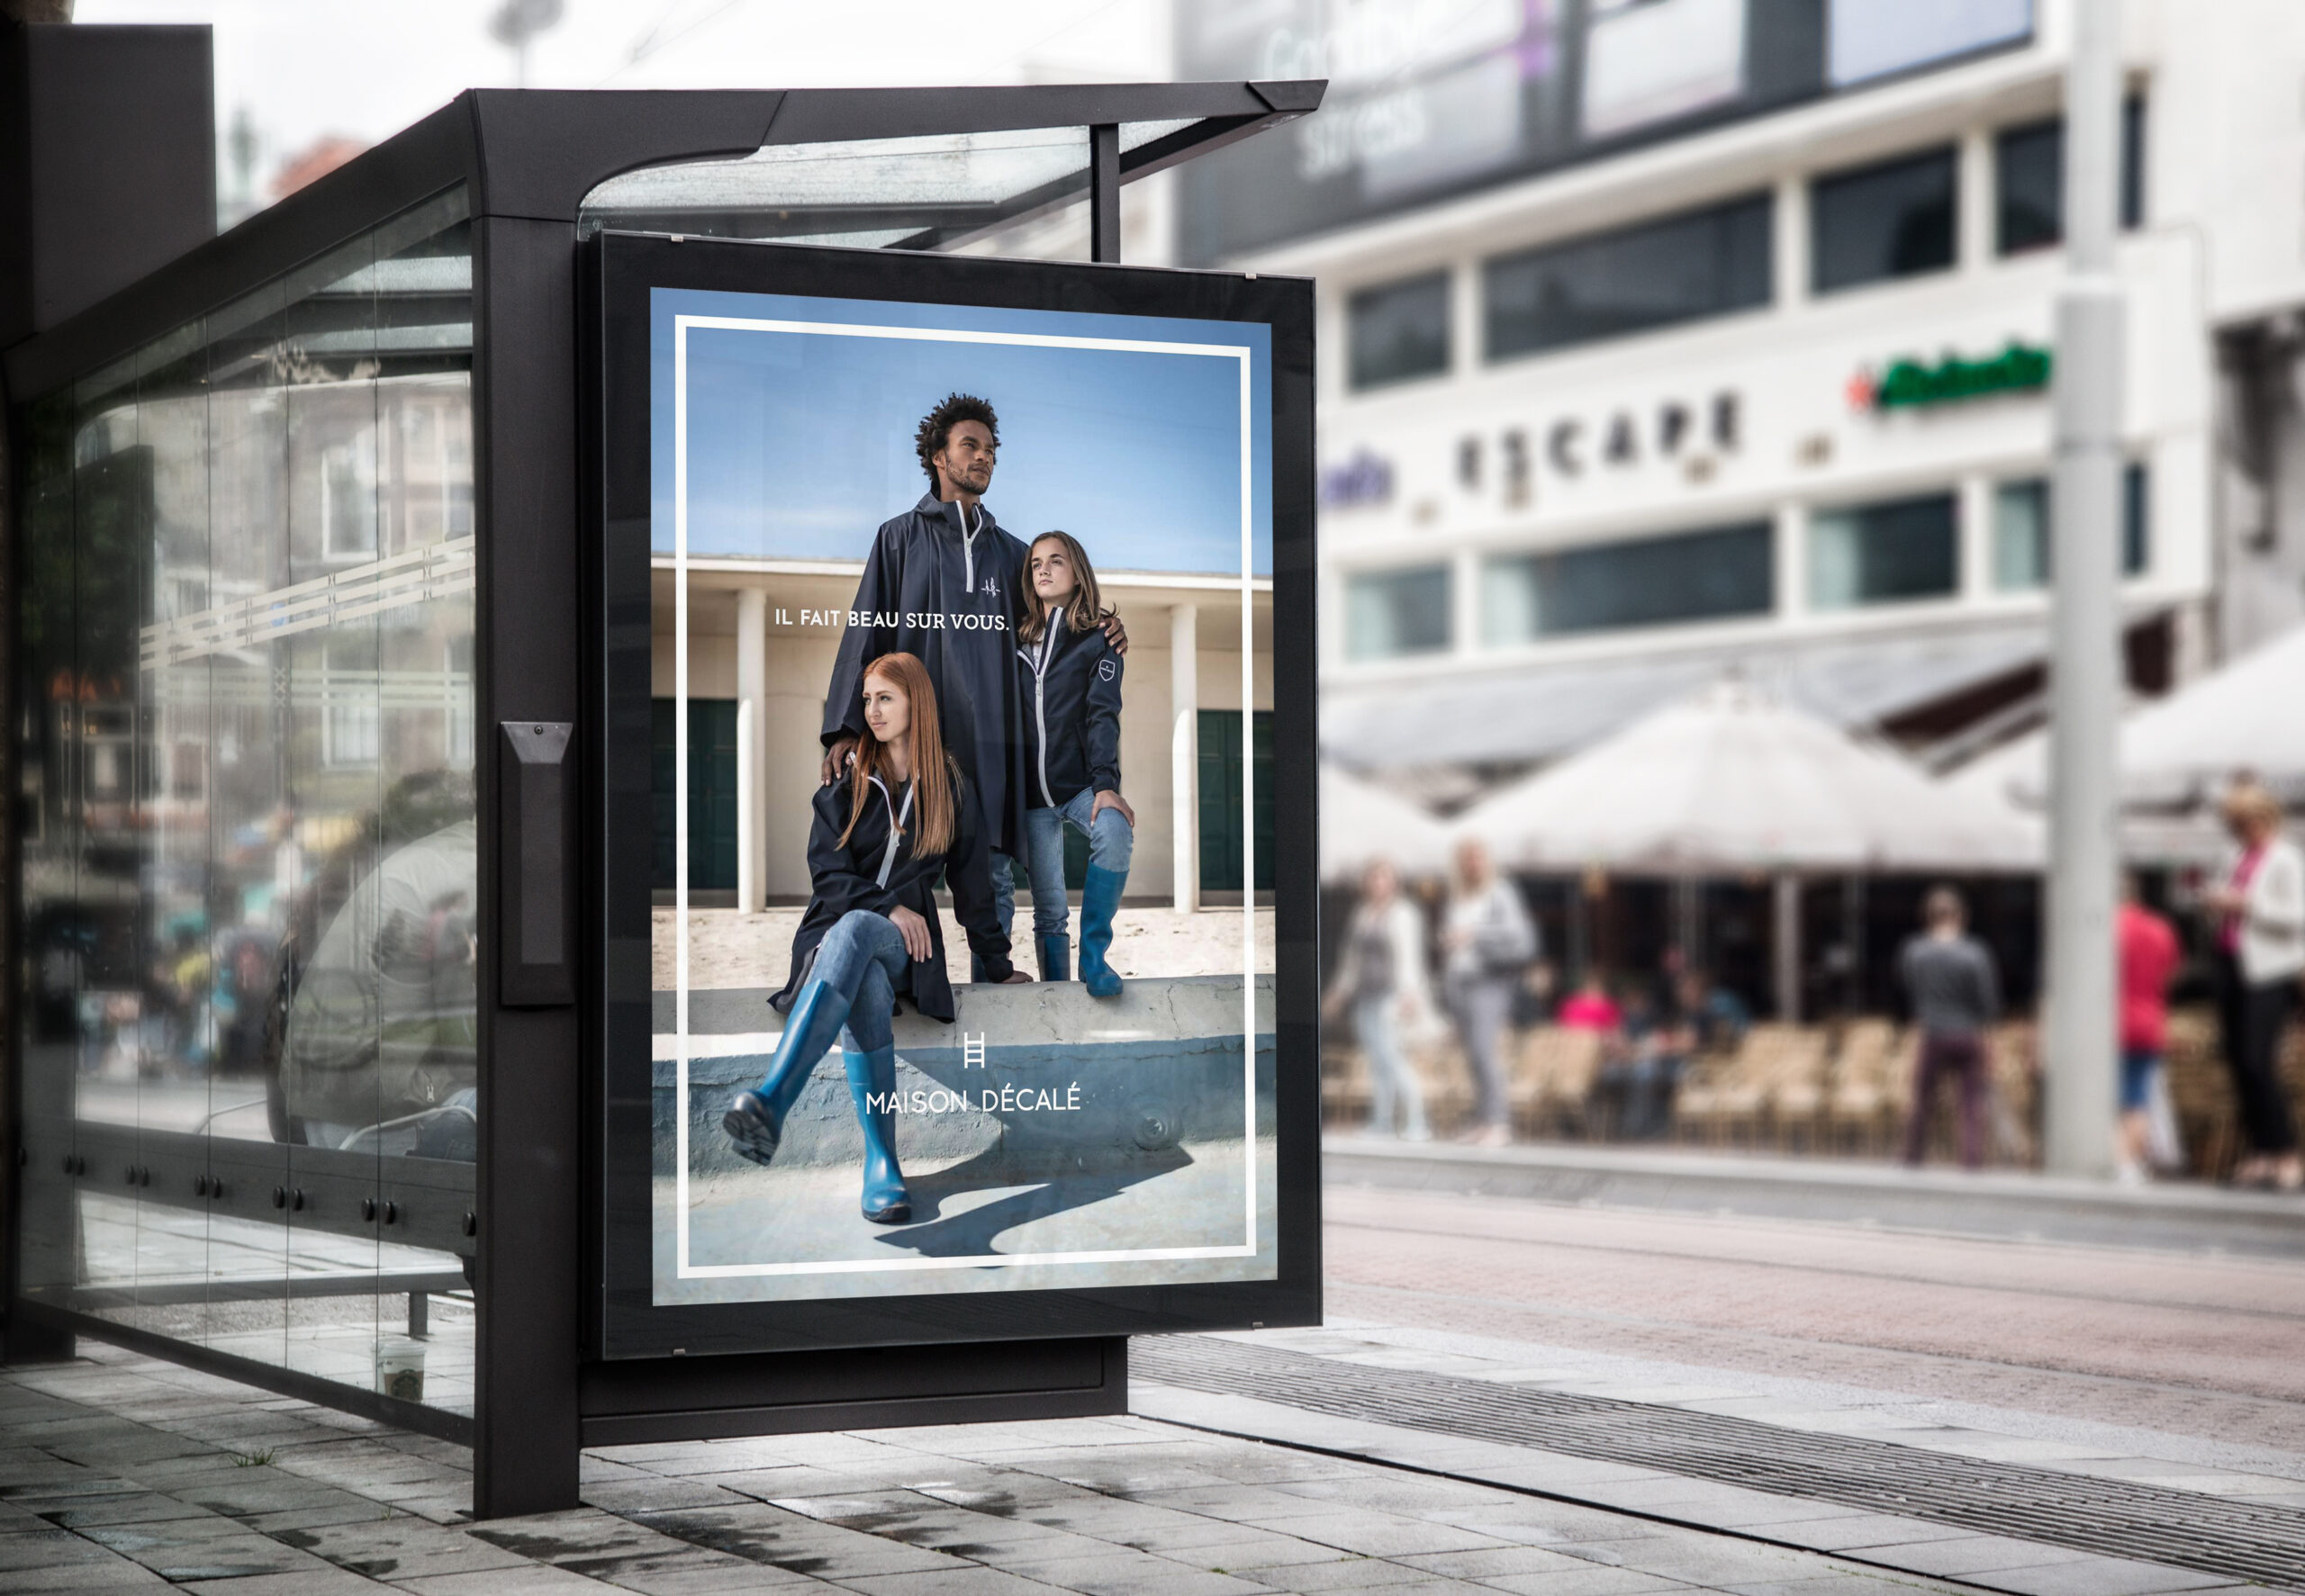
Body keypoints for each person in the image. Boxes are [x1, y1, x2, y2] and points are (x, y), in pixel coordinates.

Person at [817, 395, 1125, 961]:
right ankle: (895, 980)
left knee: (993, 871)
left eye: (990, 450)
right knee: (900, 865)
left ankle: (997, 979)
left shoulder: (1012, 554)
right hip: (920, 742)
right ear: (938, 455)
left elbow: (1053, 619)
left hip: (991, 745)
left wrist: (1102, 625)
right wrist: (844, 728)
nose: (984, 457)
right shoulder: (897, 538)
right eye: (971, 446)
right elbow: (866, 630)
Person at [727, 653, 1027, 1223]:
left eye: (885, 698)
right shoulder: (847, 778)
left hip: (908, 954)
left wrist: (997, 961)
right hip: (833, 943)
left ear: (917, 702)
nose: (873, 710)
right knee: (859, 951)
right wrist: (888, 906)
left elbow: (972, 887)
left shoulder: (950, 785)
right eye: (867, 700)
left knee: (865, 935)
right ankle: (883, 1163)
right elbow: (827, 871)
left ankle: (773, 1099)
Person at [1010, 531, 1133, 996]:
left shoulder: (1098, 640)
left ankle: (1095, 957)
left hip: (1079, 787)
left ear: (1077, 572)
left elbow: (1103, 713)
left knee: (1116, 829)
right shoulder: (1014, 640)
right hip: (1031, 798)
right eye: (1036, 563)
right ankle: (1057, 992)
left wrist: (1106, 784)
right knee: (1049, 909)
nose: (1042, 569)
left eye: (1055, 561)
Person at [2200, 782, 2304, 1190]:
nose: (2237, 832)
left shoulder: (2286, 859)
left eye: (2242, 823)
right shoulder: (2234, 856)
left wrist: (2246, 905)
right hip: (2232, 963)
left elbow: (2297, 914)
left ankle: (2286, 1151)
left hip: (2269, 971)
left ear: (2262, 819)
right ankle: (2262, 1152)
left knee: (2257, 1060)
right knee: (2237, 1061)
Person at [1322, 858, 1433, 1141]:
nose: (1378, 883)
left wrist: (1411, 994)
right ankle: (1382, 1123)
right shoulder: (1363, 913)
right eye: (1373, 878)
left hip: (1391, 996)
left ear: (1393, 882)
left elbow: (1410, 957)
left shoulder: (1404, 913)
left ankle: (1417, 1121)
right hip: (1365, 997)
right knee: (1376, 1061)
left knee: (1393, 1058)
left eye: (1383, 877)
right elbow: (1351, 959)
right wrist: (1339, 993)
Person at [1442, 837, 1537, 1147]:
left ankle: (1499, 1122)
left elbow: (1517, 935)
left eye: (1477, 857)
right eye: (1466, 858)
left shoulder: (1500, 892)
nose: (1472, 863)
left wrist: (1474, 933)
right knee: (1472, 1055)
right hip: (1460, 980)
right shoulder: (1458, 896)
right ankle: (1482, 1121)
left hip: (1489, 980)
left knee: (1485, 1051)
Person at [1897, 886, 2001, 1169]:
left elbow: (1910, 991)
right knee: (1970, 1103)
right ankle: (1970, 1161)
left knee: (1922, 1099)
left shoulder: (1915, 952)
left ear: (1928, 916)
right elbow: (1987, 1001)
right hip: (1967, 1034)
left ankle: (1912, 1158)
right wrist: (1988, 1035)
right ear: (1960, 916)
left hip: (1931, 1033)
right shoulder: (1974, 954)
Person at [2115, 873, 2181, 1186]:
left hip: (2107, 1025)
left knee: (2106, 1101)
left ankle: (2117, 1162)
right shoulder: (2160, 929)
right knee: (2138, 1098)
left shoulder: (2103, 928)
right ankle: (2129, 1166)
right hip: (2149, 1022)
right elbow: (2171, 974)